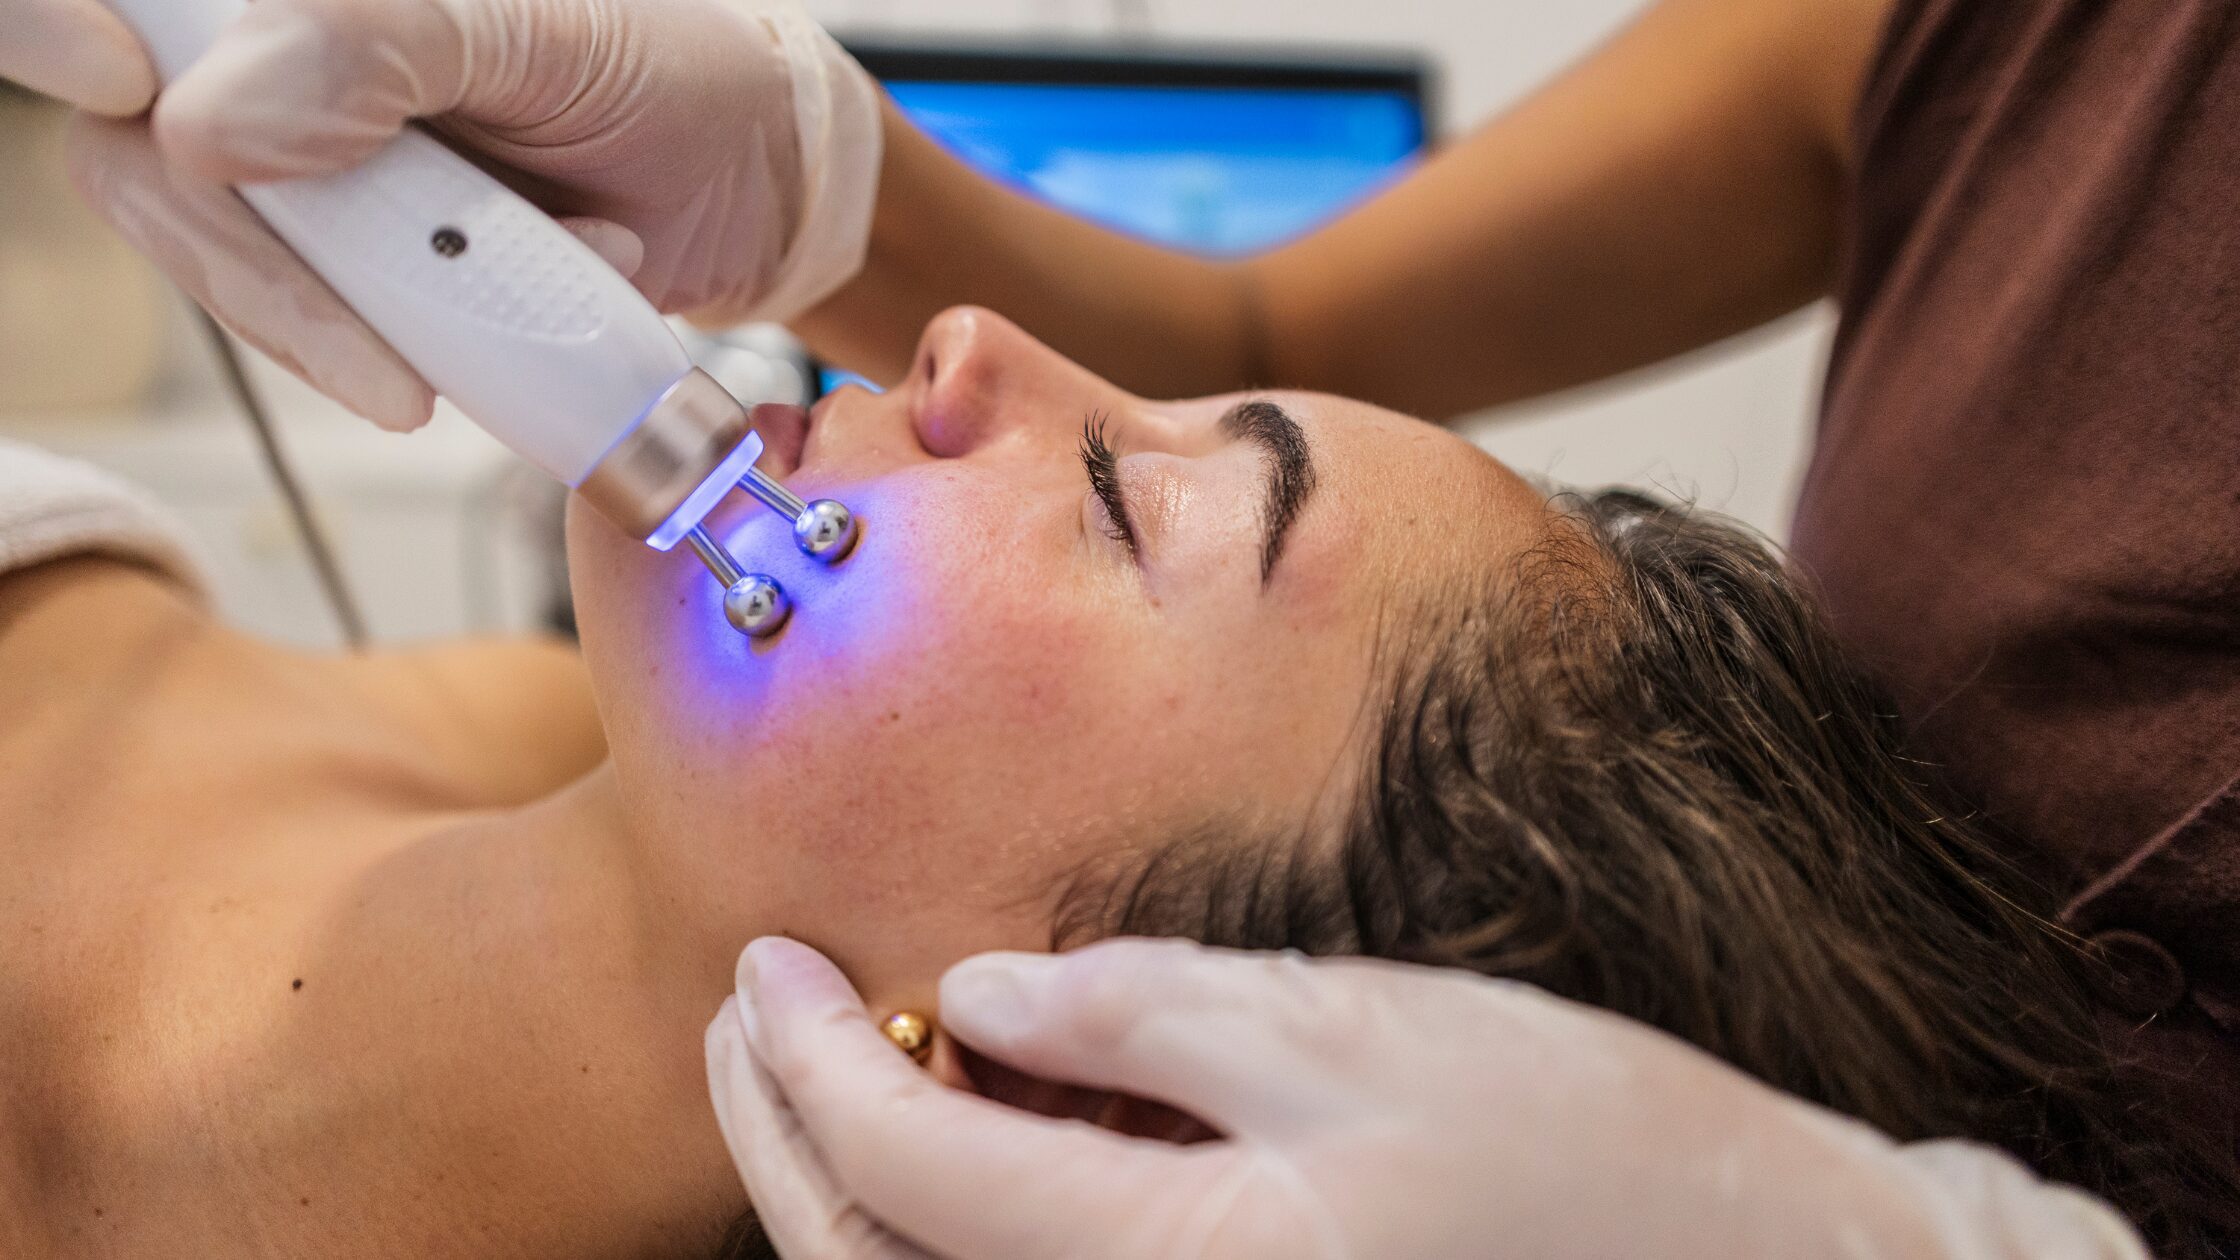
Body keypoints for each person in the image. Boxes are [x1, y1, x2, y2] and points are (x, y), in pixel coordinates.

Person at [9, 0, 2238, 1249]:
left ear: (1099, 1100)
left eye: (1121, 499)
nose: (969, 335)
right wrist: (826, 172)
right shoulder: (470, 715)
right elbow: (1260, 300)